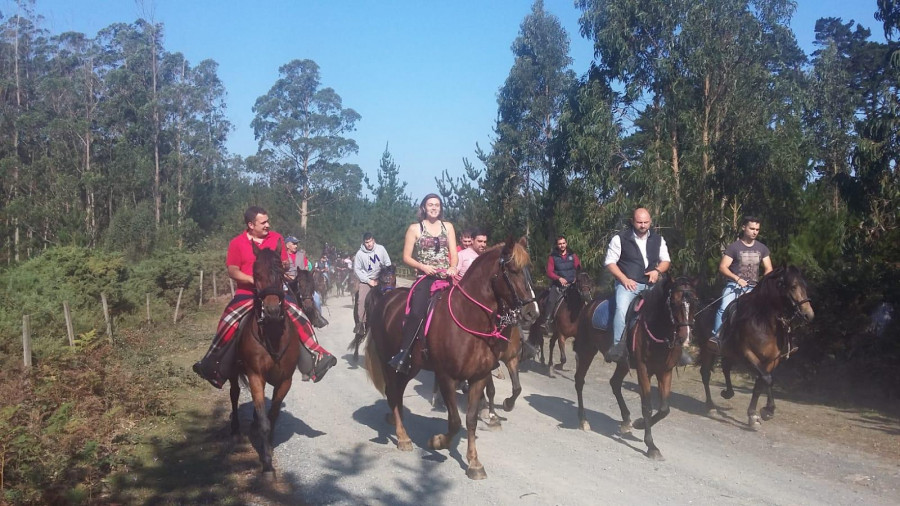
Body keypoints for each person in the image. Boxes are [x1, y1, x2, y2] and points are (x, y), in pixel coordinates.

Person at [192, 206, 336, 387]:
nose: (268, 225)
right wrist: (254, 280)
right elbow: (232, 270)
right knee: (228, 320)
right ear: (251, 224)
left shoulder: (276, 239)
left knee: (299, 315)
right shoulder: (237, 243)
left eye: (268, 221)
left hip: (276, 291)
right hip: (247, 293)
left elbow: (284, 262)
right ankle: (213, 363)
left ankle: (317, 356)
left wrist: (280, 266)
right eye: (264, 222)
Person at [388, 193, 458, 373]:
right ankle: (404, 353)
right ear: (424, 208)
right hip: (425, 278)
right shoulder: (415, 228)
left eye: (437, 205)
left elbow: (454, 253)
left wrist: (453, 266)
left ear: (440, 207)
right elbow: (406, 257)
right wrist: (423, 267)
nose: (434, 207)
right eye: (430, 205)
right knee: (417, 311)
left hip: (445, 276)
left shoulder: (448, 227)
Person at [604, 208, 671, 362]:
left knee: (671, 307)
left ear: (651, 222)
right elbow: (610, 262)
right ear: (633, 221)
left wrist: (657, 271)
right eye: (639, 222)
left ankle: (676, 347)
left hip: (652, 285)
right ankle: (617, 347)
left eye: (646, 222)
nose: (642, 225)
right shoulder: (620, 238)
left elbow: (666, 260)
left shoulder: (658, 239)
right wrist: (624, 279)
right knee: (621, 309)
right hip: (628, 285)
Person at [710, 216, 773, 347]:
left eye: (757, 229)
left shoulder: (762, 248)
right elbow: (723, 267)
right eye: (752, 228)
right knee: (723, 307)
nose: (755, 232)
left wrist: (762, 283)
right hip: (734, 286)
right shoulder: (734, 247)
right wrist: (737, 279)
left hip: (754, 288)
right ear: (744, 228)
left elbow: (768, 268)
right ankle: (716, 337)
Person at [353, 232, 392, 334]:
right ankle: (361, 323)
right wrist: (369, 281)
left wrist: (384, 275)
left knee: (393, 293)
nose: (369, 244)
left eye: (370, 241)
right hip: (367, 280)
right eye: (367, 242)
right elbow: (357, 270)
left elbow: (388, 262)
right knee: (361, 299)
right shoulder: (360, 254)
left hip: (381, 279)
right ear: (364, 243)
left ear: (373, 240)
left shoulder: (381, 249)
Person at [542, 236, 581, 332]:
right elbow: (549, 272)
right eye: (560, 244)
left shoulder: (573, 255)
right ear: (557, 245)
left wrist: (576, 278)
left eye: (563, 243)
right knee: (551, 300)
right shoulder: (553, 257)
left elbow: (579, 268)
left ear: (566, 244)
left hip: (572, 284)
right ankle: (547, 321)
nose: (562, 245)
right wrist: (559, 278)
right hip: (559, 285)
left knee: (584, 296)